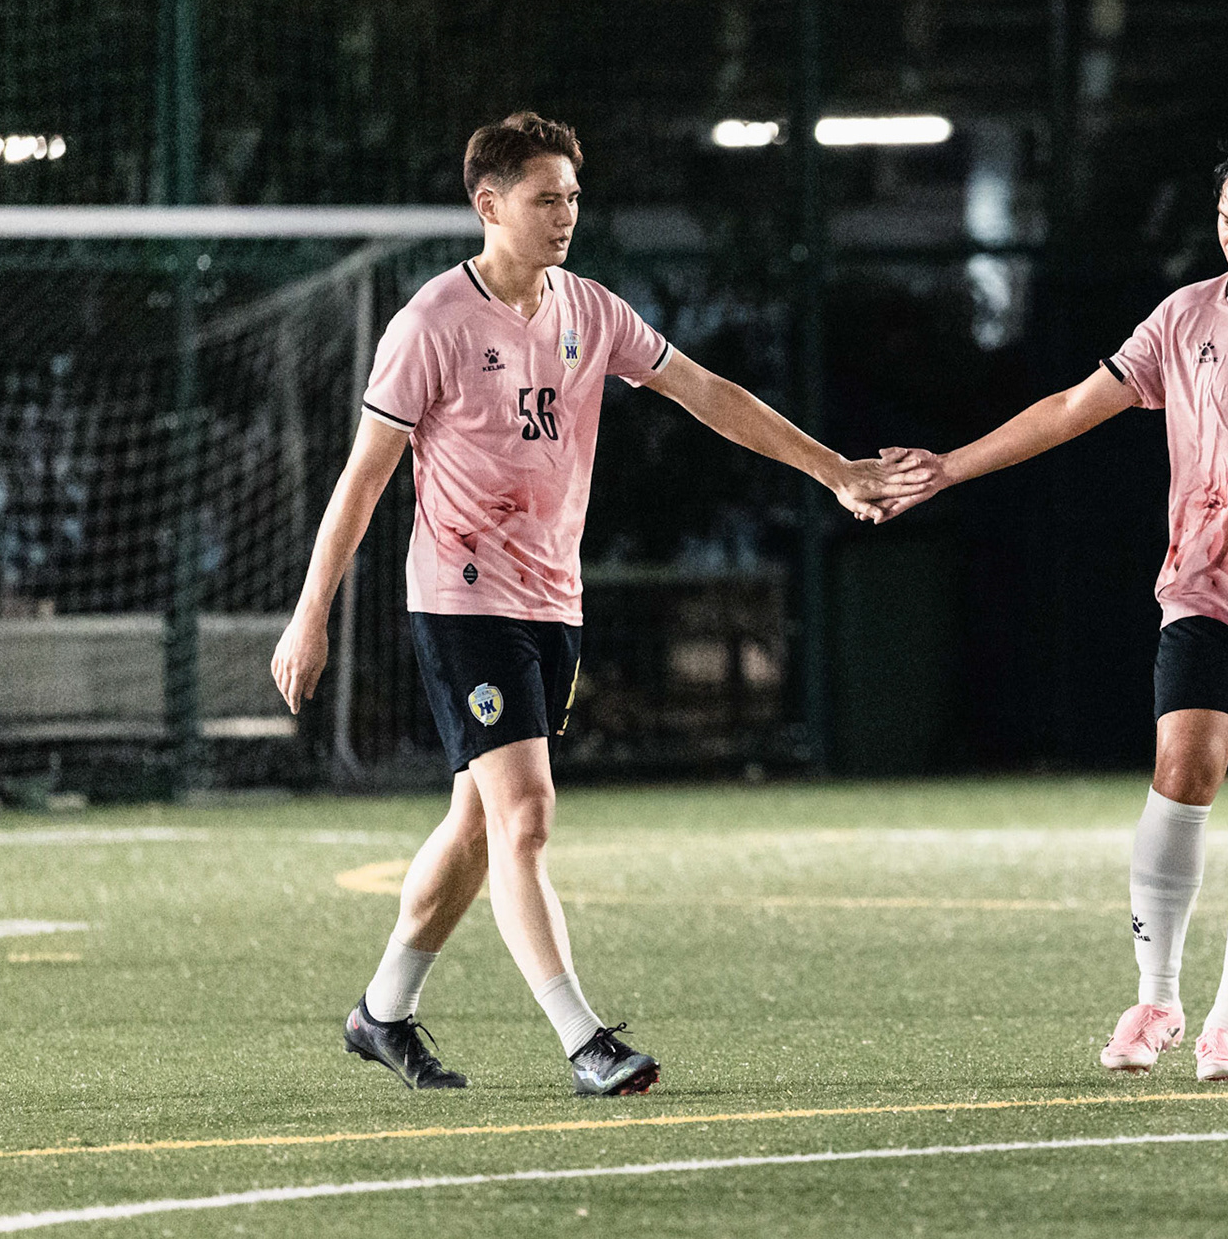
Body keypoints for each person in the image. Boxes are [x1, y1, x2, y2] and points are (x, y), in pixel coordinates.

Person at [271, 112, 929, 1097]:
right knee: (526, 818)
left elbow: (707, 393)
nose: (567, 214)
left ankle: (382, 1012)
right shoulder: (431, 326)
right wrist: (309, 613)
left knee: (477, 827)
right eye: (547, 198)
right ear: (489, 206)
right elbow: (362, 480)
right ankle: (586, 1042)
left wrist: (833, 470)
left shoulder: (590, 312)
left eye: (575, 196)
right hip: (460, 600)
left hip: (552, 601)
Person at [871, 122, 1228, 1080]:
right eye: (1224, 219)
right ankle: (1156, 1000)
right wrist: (952, 468)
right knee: (1183, 770)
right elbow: (1070, 407)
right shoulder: (1183, 318)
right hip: (1206, 590)